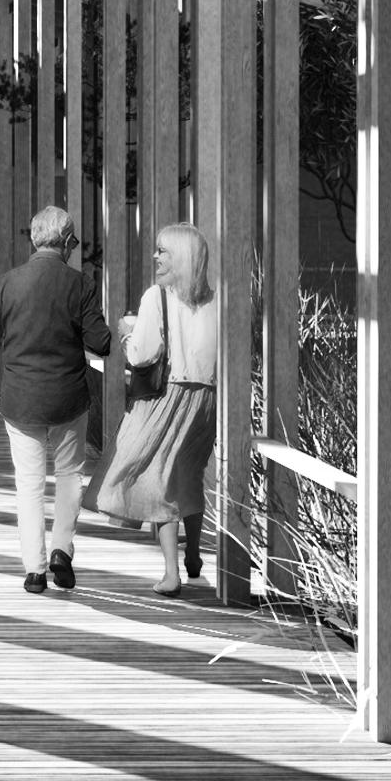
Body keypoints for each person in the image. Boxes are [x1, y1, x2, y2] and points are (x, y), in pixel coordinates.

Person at [0, 204, 110, 594]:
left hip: (20, 398)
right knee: (69, 476)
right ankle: (61, 550)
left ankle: (34, 571)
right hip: (69, 396)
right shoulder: (80, 284)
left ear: (35, 240)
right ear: (65, 241)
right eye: (74, 242)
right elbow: (100, 343)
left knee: (29, 483)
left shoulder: (8, 283)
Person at [95, 222, 222, 598]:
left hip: (167, 398)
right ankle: (194, 555)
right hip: (207, 400)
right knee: (189, 477)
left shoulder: (157, 297)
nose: (156, 257)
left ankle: (171, 573)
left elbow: (142, 354)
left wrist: (127, 331)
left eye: (163, 251)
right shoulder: (218, 300)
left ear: (181, 257)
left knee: (158, 482)